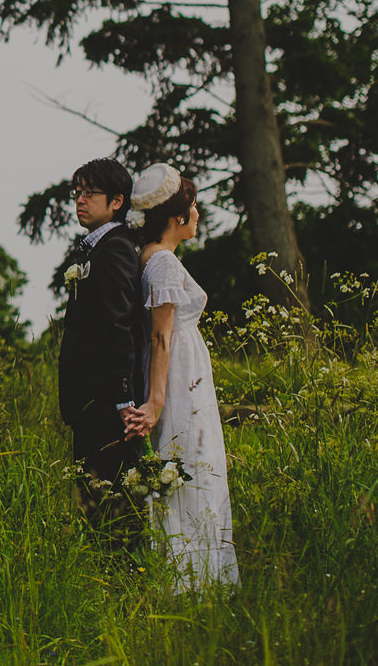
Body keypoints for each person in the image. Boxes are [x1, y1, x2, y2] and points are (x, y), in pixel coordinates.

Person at [121, 164, 239, 589]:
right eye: (193, 206)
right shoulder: (165, 263)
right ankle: (195, 581)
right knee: (193, 460)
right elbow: (162, 337)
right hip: (178, 374)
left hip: (177, 369)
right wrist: (155, 402)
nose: (198, 213)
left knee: (182, 464)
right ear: (176, 216)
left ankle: (182, 572)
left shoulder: (147, 258)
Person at [56, 158, 148, 551]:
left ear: (116, 201)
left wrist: (124, 400)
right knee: (94, 502)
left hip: (108, 408)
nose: (79, 200)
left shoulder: (115, 250)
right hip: (91, 404)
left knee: (113, 504)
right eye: (77, 192)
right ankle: (105, 580)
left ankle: (123, 581)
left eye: (88, 193)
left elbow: (119, 328)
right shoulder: (97, 251)